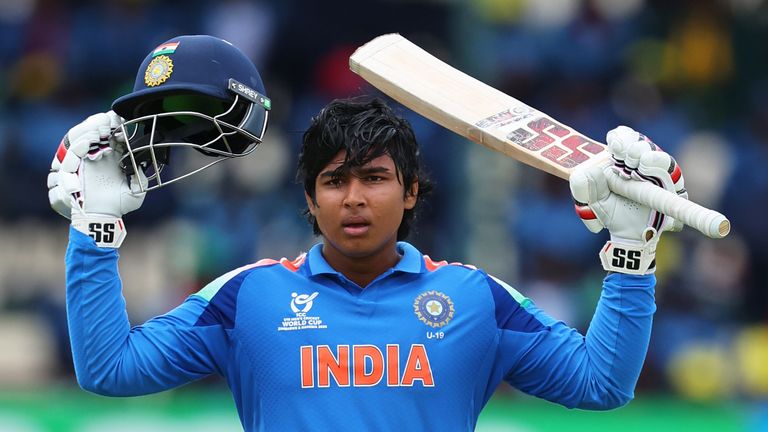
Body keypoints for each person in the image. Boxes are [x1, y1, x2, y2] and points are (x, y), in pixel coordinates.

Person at [48, 35, 687, 431]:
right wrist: (95, 230)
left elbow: (601, 386)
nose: (354, 198)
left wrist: (631, 260)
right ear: (310, 198)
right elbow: (108, 370)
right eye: (334, 180)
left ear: (411, 191)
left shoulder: (475, 298)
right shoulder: (247, 297)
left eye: (375, 178)